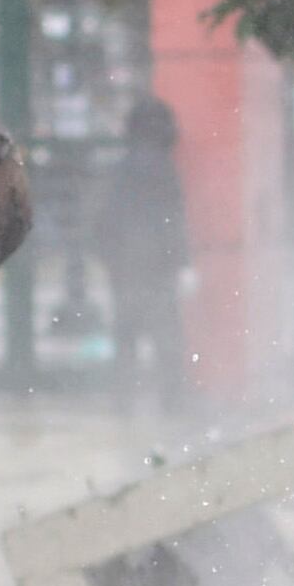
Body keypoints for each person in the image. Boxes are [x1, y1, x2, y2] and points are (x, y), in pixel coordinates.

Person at [95, 93, 192, 409]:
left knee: (126, 339)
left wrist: (109, 258)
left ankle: (123, 403)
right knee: (166, 339)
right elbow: (172, 219)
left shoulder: (121, 168)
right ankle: (173, 402)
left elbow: (106, 217)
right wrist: (183, 262)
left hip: (125, 266)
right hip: (157, 267)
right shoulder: (164, 168)